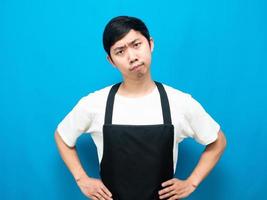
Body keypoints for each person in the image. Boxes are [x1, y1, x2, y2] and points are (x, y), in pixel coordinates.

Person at [54, 16, 227, 200]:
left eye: (136, 45)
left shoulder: (180, 102)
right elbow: (62, 136)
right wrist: (82, 179)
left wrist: (191, 182)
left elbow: (218, 141)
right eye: (120, 51)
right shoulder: (95, 104)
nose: (132, 57)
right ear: (111, 61)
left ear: (150, 44)